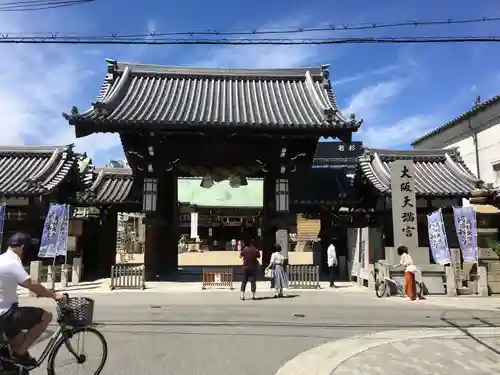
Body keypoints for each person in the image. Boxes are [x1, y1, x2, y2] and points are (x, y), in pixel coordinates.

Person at [0, 232, 67, 366]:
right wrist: (54, 295)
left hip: (5, 313)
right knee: (46, 316)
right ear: (22, 247)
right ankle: (20, 352)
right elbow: (31, 284)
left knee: (18, 341)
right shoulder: (12, 262)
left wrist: (41, 291)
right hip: (5, 313)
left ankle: (18, 358)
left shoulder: (2, 259)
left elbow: (18, 282)